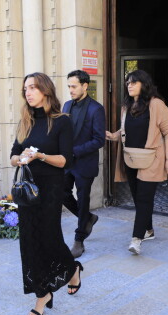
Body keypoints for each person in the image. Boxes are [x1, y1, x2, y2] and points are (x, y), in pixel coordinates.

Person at [10, 72, 83, 315]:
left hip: (51, 188)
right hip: (28, 190)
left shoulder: (62, 121)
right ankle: (43, 293)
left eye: (32, 87)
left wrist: (40, 156)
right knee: (30, 241)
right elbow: (13, 155)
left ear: (46, 90)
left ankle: (72, 268)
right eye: (25, 89)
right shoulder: (25, 121)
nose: (28, 92)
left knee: (50, 238)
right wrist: (20, 159)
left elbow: (65, 160)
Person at [106, 70, 168, 254]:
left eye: (133, 82)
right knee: (139, 198)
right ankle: (149, 230)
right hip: (130, 157)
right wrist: (113, 136)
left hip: (152, 159)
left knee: (144, 198)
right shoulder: (126, 107)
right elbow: (125, 130)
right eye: (127, 82)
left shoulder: (156, 104)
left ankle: (136, 239)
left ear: (144, 84)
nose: (129, 85)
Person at [62, 70, 105, 258]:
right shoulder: (66, 105)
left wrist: (75, 151)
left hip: (85, 163)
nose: (70, 90)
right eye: (69, 86)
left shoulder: (96, 109)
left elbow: (99, 140)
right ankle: (87, 218)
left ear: (85, 86)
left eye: (74, 86)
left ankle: (79, 240)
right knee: (62, 195)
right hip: (66, 163)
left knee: (83, 199)